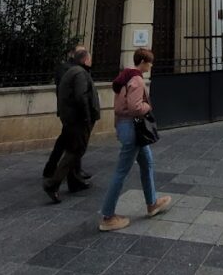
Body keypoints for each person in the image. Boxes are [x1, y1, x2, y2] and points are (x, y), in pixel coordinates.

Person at [99, 48, 171, 231]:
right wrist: (148, 106)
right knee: (121, 172)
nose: (152, 65)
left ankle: (152, 203)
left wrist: (118, 127)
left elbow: (119, 106)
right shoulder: (137, 80)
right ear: (144, 62)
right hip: (134, 129)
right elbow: (134, 107)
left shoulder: (125, 77)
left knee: (147, 163)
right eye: (150, 61)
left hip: (126, 126)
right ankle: (108, 216)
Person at [43, 47, 100, 202]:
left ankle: (74, 182)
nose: (91, 59)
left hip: (71, 119)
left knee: (72, 149)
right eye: (89, 57)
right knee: (75, 151)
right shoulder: (79, 73)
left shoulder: (73, 71)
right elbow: (81, 97)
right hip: (77, 121)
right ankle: (52, 183)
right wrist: (87, 118)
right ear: (85, 59)